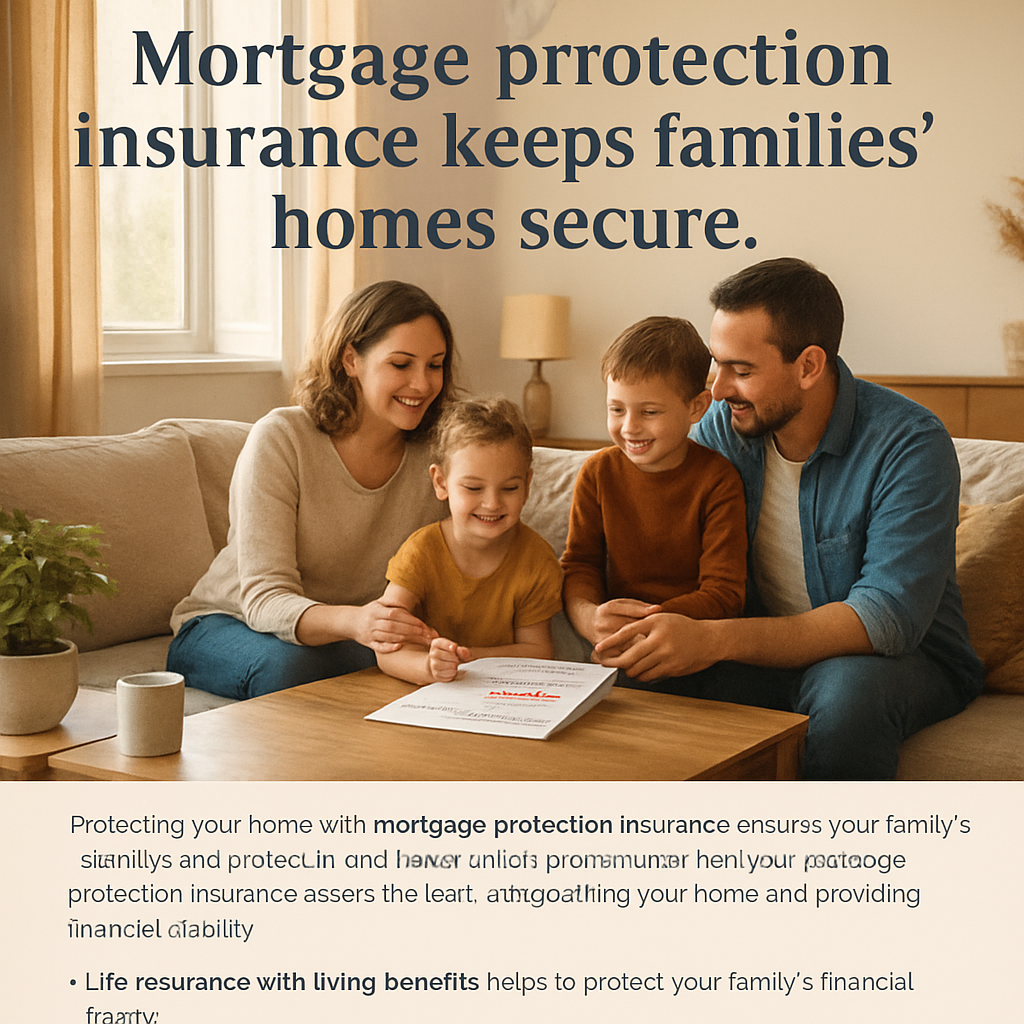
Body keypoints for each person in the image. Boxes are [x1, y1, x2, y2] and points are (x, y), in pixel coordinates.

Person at [592, 257, 985, 780]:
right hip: (762, 653)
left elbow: (886, 617)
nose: (721, 388)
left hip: (902, 663)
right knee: (645, 673)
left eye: (743, 370)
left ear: (808, 366)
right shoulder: (723, 427)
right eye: (718, 364)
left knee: (849, 695)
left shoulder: (909, 443)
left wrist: (712, 639)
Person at [167, 280, 459, 699]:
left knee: (420, 663)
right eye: (401, 364)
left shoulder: (438, 455)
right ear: (350, 360)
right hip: (228, 624)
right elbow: (265, 599)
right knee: (292, 668)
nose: (422, 384)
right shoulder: (282, 438)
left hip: (350, 637)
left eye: (435, 364)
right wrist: (358, 623)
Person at [561, 317, 747, 660]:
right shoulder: (597, 474)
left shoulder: (718, 480)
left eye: (649, 411)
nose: (630, 428)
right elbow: (579, 564)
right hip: (623, 642)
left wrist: (647, 624)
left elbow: (724, 593)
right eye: (616, 409)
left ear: (696, 407)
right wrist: (588, 618)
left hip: (695, 645)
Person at [376, 396, 563, 686]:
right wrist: (429, 667)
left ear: (527, 485)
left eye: (510, 488)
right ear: (441, 483)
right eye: (474, 487)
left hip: (502, 696)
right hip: (418, 696)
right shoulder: (420, 551)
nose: (491, 503)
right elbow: (386, 646)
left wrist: (469, 658)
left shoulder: (537, 559)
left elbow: (538, 652)